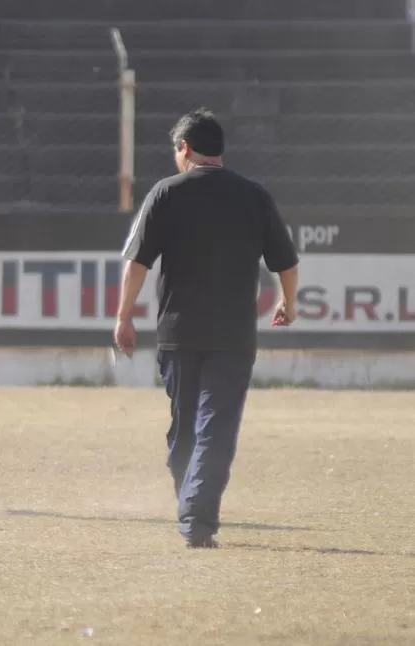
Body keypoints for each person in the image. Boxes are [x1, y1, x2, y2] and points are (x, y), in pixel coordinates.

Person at [114, 108, 300, 549]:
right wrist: (287, 303)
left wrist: (124, 317)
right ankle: (196, 513)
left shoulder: (165, 193)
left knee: (184, 428)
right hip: (234, 335)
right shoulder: (254, 195)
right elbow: (286, 261)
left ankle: (193, 511)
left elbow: (136, 262)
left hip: (179, 333)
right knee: (216, 426)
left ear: (184, 148)